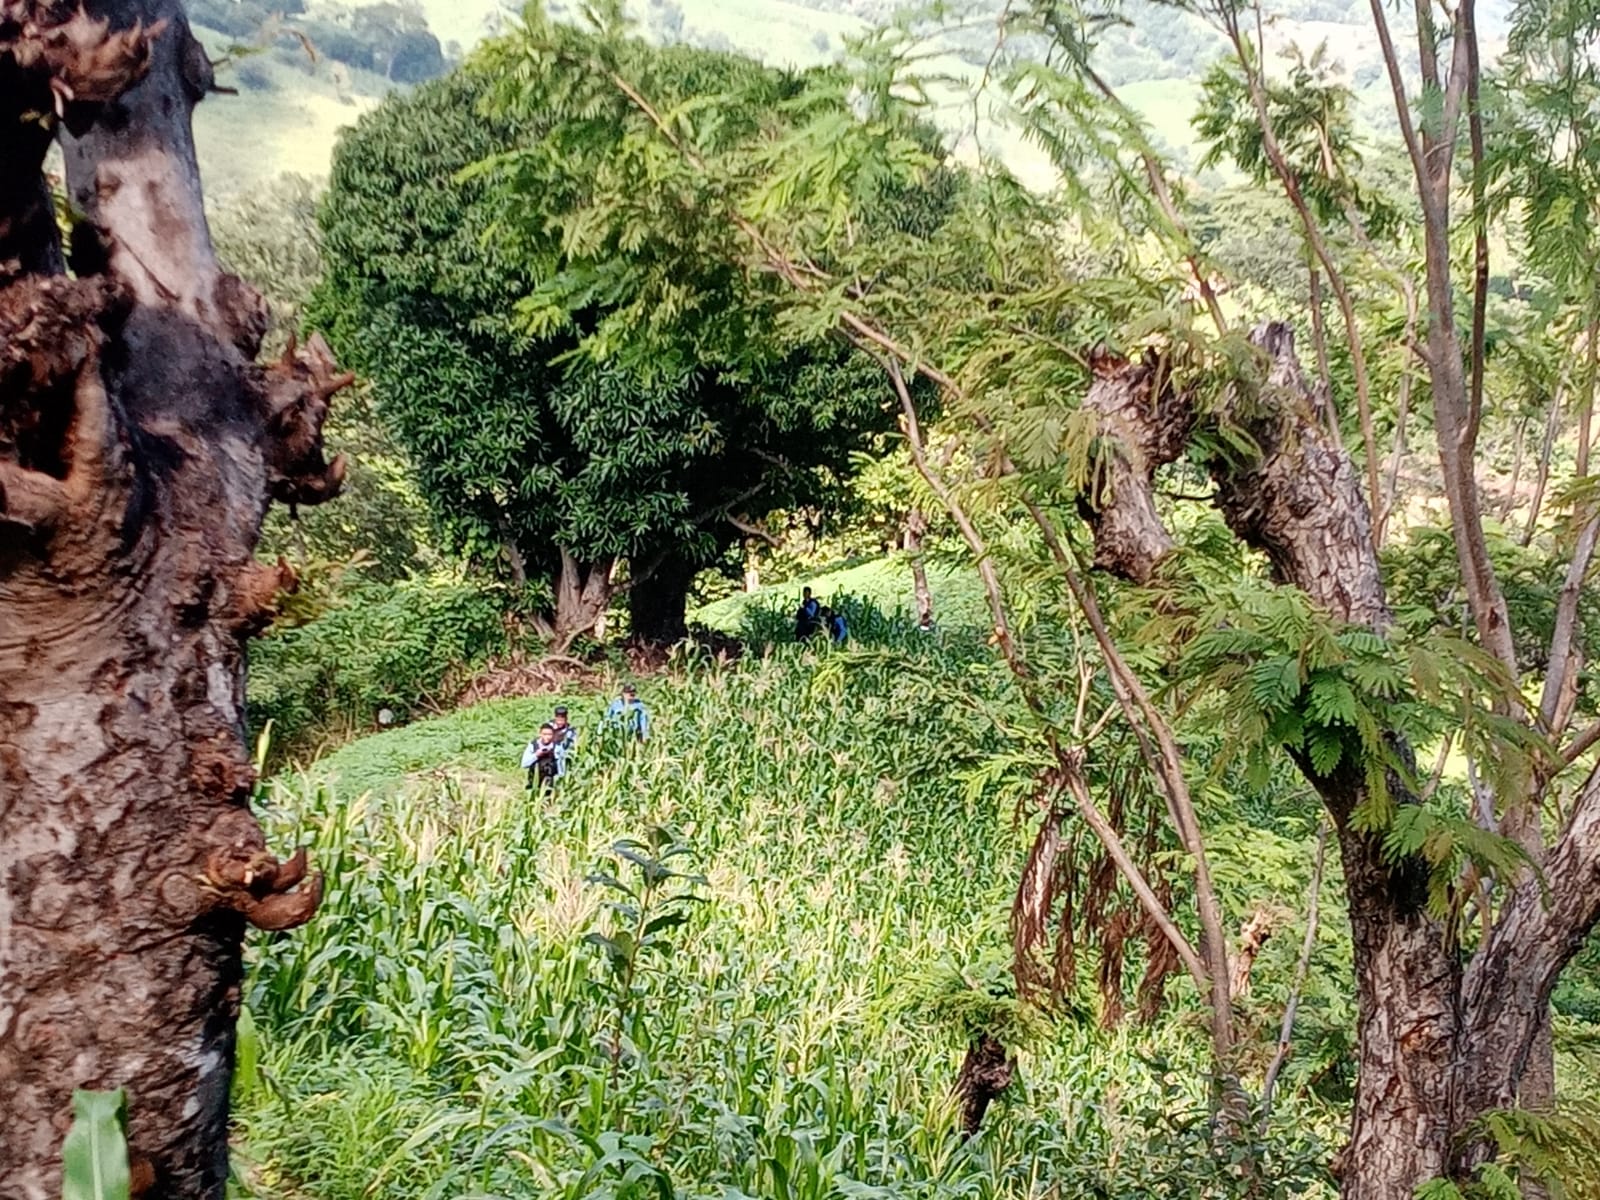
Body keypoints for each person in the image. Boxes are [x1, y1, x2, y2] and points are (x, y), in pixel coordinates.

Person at [521, 722, 562, 790]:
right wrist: (537, 755)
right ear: (540, 734)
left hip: (550, 785)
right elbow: (524, 764)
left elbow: (561, 768)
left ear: (553, 735)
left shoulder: (557, 747)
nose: (547, 737)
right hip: (534, 784)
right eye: (544, 734)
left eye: (549, 734)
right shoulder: (533, 745)